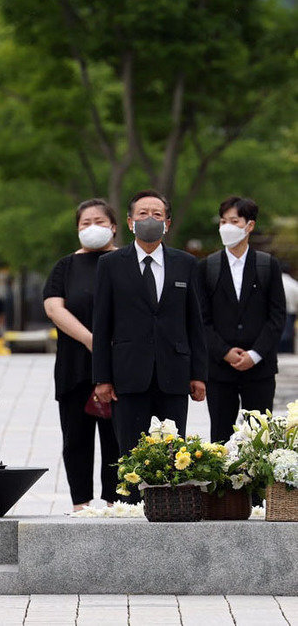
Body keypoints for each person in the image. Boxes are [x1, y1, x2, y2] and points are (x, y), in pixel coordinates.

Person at [92, 190, 207, 477]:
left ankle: (171, 507)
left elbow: (196, 322)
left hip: (174, 372)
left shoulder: (186, 263)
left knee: (174, 453)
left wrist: (199, 374)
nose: (150, 219)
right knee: (131, 453)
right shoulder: (110, 264)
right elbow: (102, 324)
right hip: (128, 374)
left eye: (157, 214)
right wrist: (102, 378)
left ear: (167, 222)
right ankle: (131, 508)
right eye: (143, 214)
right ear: (130, 222)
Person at [43, 199, 120, 510]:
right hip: (75, 366)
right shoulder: (66, 266)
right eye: (85, 223)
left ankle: (119, 502)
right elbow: (53, 307)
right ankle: (81, 504)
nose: (92, 228)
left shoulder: (125, 262)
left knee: (117, 440)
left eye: (99, 221)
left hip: (119, 366)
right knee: (76, 439)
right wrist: (91, 340)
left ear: (115, 226)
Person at [198, 196, 286, 442]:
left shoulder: (268, 265)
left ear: (249, 225)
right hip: (219, 368)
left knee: (260, 437)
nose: (226, 226)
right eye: (223, 221)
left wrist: (255, 354)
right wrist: (224, 351)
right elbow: (201, 319)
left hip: (260, 368)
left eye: (234, 221)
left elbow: (277, 316)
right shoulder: (207, 267)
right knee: (220, 438)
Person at [280, 262, 298, 354]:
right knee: (288, 334)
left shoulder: (273, 281)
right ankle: (287, 351)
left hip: (275, 312)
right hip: (290, 312)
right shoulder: (293, 284)